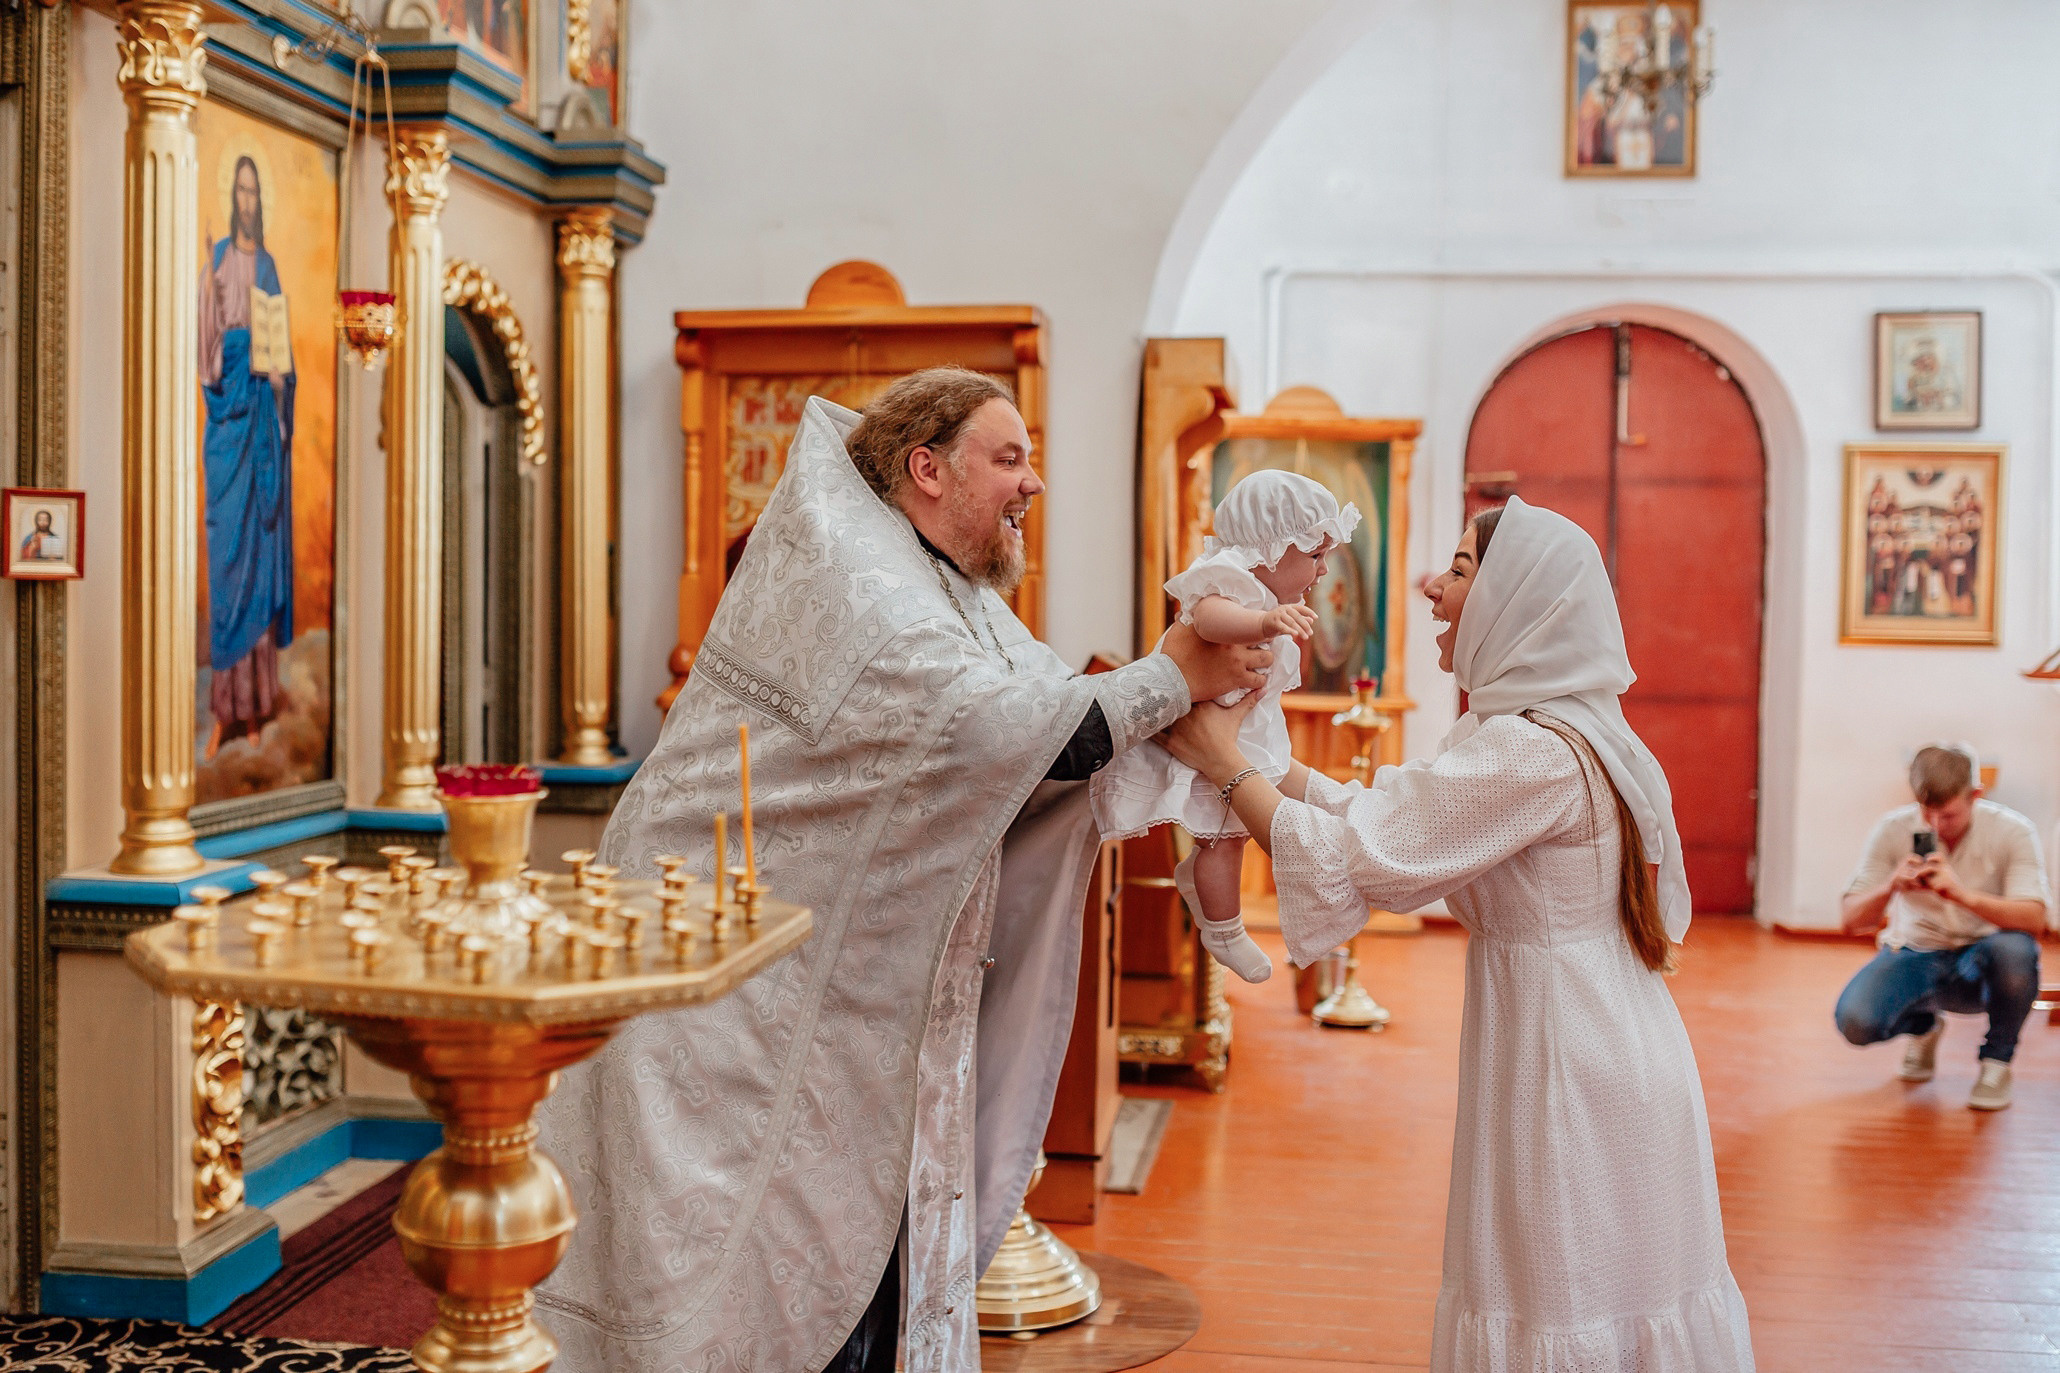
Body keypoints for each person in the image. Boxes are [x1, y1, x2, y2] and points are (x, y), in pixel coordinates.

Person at [532, 368, 1269, 1373]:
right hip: (729, 992)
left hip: (838, 997)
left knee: (863, 1242)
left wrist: (1188, 708)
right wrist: (1175, 669)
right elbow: (994, 730)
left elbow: (1048, 719)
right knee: (759, 1258)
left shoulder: (947, 587)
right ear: (926, 467)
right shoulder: (861, 577)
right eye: (1007, 458)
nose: (1031, 484)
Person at [1164, 497, 1755, 1372]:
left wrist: (1221, 761)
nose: (1433, 587)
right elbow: (1394, 817)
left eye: (1462, 569)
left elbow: (1372, 856)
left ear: (1522, 599)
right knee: (1581, 1289)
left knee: (1560, 1286)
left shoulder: (1532, 750)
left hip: (1570, 1058)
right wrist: (1265, 756)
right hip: (1586, 1032)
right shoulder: (1536, 730)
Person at [1090, 469, 1356, 984]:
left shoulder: (1260, 588)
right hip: (1202, 728)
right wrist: (1265, 623)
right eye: (1315, 554)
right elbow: (1208, 619)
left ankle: (1211, 901)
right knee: (1227, 835)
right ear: (1272, 546)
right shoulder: (1230, 575)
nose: (1323, 570)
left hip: (1238, 734)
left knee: (1234, 833)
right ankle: (1224, 929)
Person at [1834, 744, 2048, 1111]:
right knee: (1855, 1022)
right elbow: (1851, 920)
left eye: (1948, 814)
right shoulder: (1892, 829)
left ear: (1976, 795)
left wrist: (1962, 895)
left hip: (1983, 959)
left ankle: (1996, 1063)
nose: (1934, 824)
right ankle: (1924, 1027)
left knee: (2016, 951)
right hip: (1915, 952)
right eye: (1926, 811)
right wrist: (1891, 886)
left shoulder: (2013, 831)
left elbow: (2035, 920)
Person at [199, 154, 295, 760]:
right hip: (229, 421)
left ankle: (256, 708)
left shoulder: (270, 266)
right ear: (232, 198)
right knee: (227, 560)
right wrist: (209, 300)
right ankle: (223, 712)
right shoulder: (217, 264)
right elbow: (205, 347)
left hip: (262, 416)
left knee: (258, 561)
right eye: (239, 190)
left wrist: (280, 381)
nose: (247, 201)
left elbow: (282, 347)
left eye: (255, 192)